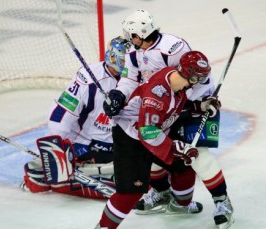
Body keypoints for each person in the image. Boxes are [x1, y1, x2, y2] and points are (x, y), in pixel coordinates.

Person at [103, 9, 234, 229]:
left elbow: (197, 76)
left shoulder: (173, 48)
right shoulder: (133, 53)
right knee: (156, 151)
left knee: (198, 155)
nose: (128, 38)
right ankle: (163, 193)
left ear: (140, 34)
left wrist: (200, 103)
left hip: (187, 104)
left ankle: (223, 202)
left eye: (131, 34)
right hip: (163, 109)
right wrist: (118, 95)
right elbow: (129, 81)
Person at [96, 51, 213, 229]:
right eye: (200, 78)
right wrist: (176, 147)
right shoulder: (156, 95)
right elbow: (148, 132)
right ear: (193, 77)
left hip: (153, 131)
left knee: (185, 164)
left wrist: (199, 106)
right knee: (130, 193)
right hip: (130, 138)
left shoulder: (174, 79)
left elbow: (170, 109)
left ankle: (180, 205)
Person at [20, 36, 130, 199]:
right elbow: (61, 113)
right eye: (126, 60)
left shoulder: (136, 77)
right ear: (113, 58)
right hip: (86, 144)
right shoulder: (88, 77)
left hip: (119, 142)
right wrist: (57, 147)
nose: (131, 63)